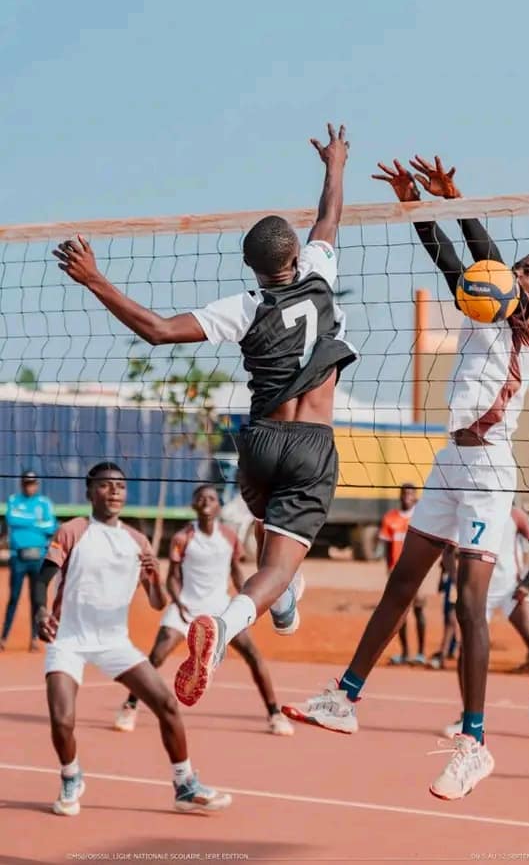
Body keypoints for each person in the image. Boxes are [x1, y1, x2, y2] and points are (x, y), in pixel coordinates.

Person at [282, 156, 529, 801]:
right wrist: (421, 207)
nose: (515, 273)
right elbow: (453, 263)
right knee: (401, 583)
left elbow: (485, 260)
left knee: (468, 602)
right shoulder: (482, 307)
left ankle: (475, 742)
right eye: (518, 267)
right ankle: (345, 697)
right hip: (449, 460)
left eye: (526, 271)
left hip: (489, 469)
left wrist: (459, 203)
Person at [52, 123, 355, 707]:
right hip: (311, 443)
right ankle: (225, 625)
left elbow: (158, 330)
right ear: (296, 256)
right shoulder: (320, 275)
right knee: (277, 563)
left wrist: (94, 279)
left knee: (272, 533)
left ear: (252, 268)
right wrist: (335, 163)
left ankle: (283, 597)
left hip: (260, 442)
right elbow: (329, 216)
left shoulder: (244, 307)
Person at [33, 462, 231, 816]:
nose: (114, 491)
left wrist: (154, 579)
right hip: (69, 638)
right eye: (105, 485)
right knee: (62, 719)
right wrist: (40, 611)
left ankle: (185, 785)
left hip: (115, 641)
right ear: (89, 491)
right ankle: (71, 775)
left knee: (166, 704)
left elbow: (157, 603)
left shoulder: (137, 541)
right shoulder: (73, 531)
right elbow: (42, 579)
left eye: (120, 486)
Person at [114, 484, 294, 736]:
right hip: (187, 606)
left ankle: (274, 713)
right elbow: (172, 577)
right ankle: (130, 706)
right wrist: (179, 603)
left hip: (221, 608)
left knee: (253, 655)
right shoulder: (183, 538)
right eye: (201, 498)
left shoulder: (229, 537)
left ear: (219, 506)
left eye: (211, 498)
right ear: (194, 506)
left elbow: (236, 572)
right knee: (157, 656)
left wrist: (248, 603)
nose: (207, 502)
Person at [442, 506, 529, 738]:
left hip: (511, 590)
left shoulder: (514, 514)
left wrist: (526, 582)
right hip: (479, 591)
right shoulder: (470, 510)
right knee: (466, 652)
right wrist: (458, 583)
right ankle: (467, 715)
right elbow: (448, 553)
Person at [1, 471, 57, 651]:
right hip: (18, 557)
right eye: (26, 483)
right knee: (14, 598)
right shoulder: (14, 500)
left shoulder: (44, 503)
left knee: (37, 600)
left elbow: (51, 526)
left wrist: (26, 521)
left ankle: (34, 638)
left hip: (38, 558)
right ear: (22, 484)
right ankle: (4, 637)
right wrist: (36, 522)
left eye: (32, 483)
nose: (29, 487)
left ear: (36, 485)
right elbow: (12, 519)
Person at [379, 484, 427, 666]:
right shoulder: (390, 518)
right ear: (400, 496)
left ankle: (421, 653)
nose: (407, 496)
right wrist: (389, 568)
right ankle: (405, 652)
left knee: (419, 609)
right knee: (400, 613)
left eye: (411, 493)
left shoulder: (420, 518)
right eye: (405, 493)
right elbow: (387, 548)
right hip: (397, 572)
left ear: (415, 497)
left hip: (417, 571)